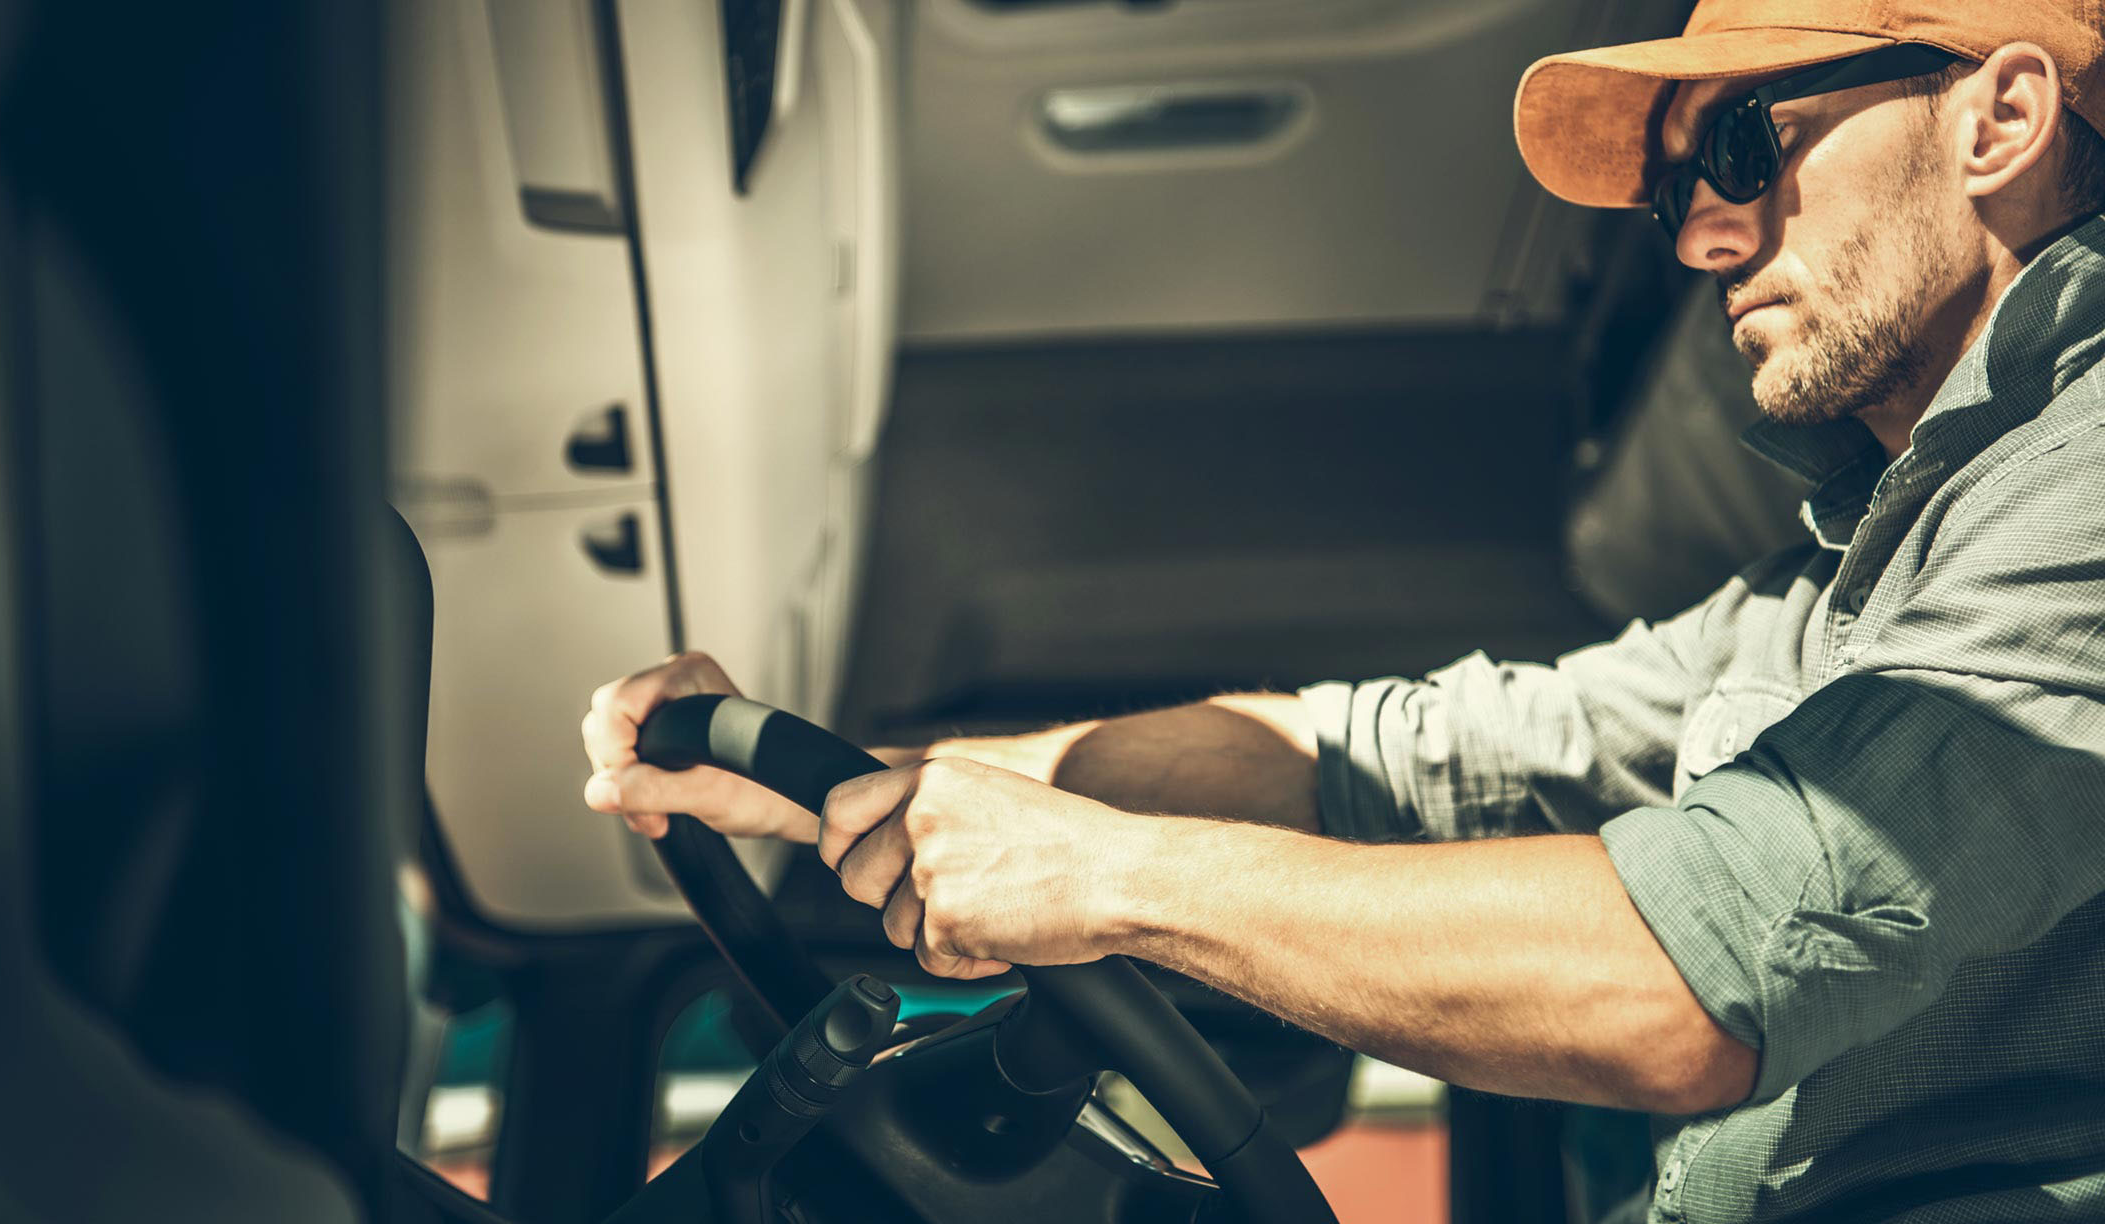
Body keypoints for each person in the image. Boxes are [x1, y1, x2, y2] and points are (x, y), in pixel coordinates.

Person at [584, 1, 2105, 1218]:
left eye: (1741, 145)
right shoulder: (1833, 602)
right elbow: (1401, 752)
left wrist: (1113, 878)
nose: (1705, 237)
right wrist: (882, 788)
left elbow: (1681, 987)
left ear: (2003, 119)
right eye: (1674, 194)